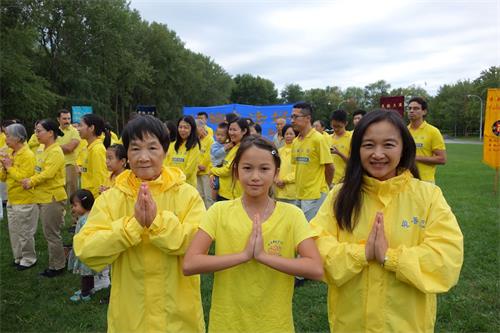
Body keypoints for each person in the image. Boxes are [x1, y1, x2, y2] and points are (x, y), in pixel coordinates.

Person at [311, 109, 463, 332]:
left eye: (389, 145)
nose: (378, 154)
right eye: (369, 145)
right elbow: (315, 248)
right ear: (357, 149)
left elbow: (446, 260)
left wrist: (389, 257)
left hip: (407, 325)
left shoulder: (428, 196)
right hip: (350, 324)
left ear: (404, 149)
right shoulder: (340, 195)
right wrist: (362, 254)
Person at [74, 115, 206, 332]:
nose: (144, 157)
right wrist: (132, 227)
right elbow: (87, 249)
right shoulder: (112, 198)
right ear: (126, 154)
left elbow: (196, 245)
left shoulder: (187, 195)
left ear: (165, 151)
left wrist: (157, 222)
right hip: (130, 315)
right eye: (135, 149)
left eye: (152, 148)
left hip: (179, 316)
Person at [183, 136, 323, 333]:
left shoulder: (292, 215)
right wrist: (243, 256)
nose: (255, 176)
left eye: (264, 169)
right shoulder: (219, 211)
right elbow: (190, 264)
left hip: (275, 324)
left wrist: (263, 257)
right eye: (247, 168)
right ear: (236, 172)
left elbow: (316, 268)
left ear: (276, 172)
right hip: (227, 323)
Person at [21, 119, 67, 277]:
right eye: (35, 130)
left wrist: (31, 181)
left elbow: (48, 174)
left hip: (52, 197)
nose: (36, 134)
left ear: (50, 133)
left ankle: (57, 266)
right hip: (43, 197)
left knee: (52, 234)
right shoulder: (42, 149)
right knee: (49, 232)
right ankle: (56, 263)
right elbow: (39, 169)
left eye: (39, 131)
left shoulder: (56, 151)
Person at [0, 124, 38, 270]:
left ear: (18, 138)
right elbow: (3, 178)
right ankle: (19, 257)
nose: (6, 138)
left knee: (25, 232)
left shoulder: (27, 155)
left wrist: (9, 167)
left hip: (25, 200)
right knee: (14, 231)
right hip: (12, 198)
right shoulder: (11, 152)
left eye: (8, 135)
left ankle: (29, 258)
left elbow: (24, 179)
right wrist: (4, 167)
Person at [291, 102, 334, 221]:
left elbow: (330, 167)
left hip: (314, 195)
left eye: (295, 117)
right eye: (291, 117)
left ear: (308, 118)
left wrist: (325, 186)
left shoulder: (318, 139)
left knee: (310, 231)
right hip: (299, 195)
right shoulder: (296, 141)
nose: (292, 120)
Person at [407, 97, 446, 183]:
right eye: (409, 108)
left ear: (424, 111)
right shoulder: (404, 131)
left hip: (425, 181)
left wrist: (414, 158)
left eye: (416, 108)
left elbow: (442, 159)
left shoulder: (433, 131)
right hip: (405, 180)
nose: (411, 111)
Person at [210, 118, 250, 200]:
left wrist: (212, 170)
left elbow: (227, 170)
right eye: (230, 129)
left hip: (233, 195)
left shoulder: (243, 148)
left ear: (244, 131)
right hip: (224, 192)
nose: (231, 133)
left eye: (234, 130)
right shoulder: (232, 146)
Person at [67, 189, 96, 302]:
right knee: (88, 273)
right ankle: (91, 289)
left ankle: (85, 294)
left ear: (85, 204)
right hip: (86, 249)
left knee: (85, 273)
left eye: (75, 205)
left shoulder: (86, 220)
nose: (73, 208)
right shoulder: (87, 216)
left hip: (85, 250)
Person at [78, 114, 110, 198]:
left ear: (91, 128)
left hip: (93, 198)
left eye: (81, 125)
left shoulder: (97, 150)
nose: (78, 129)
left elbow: (100, 179)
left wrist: (96, 200)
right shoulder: (89, 148)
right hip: (88, 196)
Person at [164, 115, 201, 188]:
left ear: (192, 129)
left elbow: (189, 170)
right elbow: (166, 164)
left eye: (186, 127)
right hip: (171, 184)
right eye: (180, 127)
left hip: (186, 186)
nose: (182, 130)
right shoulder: (172, 145)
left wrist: (176, 181)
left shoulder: (194, 146)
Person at [56, 109, 81, 200]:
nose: (67, 121)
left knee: (72, 192)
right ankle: (61, 213)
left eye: (69, 118)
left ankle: (74, 212)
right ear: (58, 119)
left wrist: (54, 147)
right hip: (57, 165)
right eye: (64, 119)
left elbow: (69, 148)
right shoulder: (54, 131)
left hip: (70, 165)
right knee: (59, 192)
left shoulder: (74, 131)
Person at [274, 124, 298, 205]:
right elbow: (275, 167)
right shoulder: (279, 151)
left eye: (291, 134)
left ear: (296, 135)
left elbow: (299, 171)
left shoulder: (298, 151)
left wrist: (284, 180)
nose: (288, 136)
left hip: (292, 192)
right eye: (286, 134)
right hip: (278, 191)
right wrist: (276, 179)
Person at [329, 109, 352, 184]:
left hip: (344, 181)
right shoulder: (328, 138)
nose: (335, 129)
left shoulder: (351, 138)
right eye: (333, 126)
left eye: (339, 126)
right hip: (329, 181)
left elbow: (353, 162)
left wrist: (338, 153)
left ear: (346, 123)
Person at [195, 119, 214, 208]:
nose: (196, 133)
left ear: (203, 128)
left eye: (197, 130)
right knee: (200, 196)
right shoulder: (196, 140)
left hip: (206, 173)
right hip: (197, 172)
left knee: (208, 196)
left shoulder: (210, 140)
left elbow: (209, 156)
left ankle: (210, 215)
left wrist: (202, 166)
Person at [210, 122, 230, 201]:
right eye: (217, 135)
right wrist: (225, 148)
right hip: (217, 166)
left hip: (223, 166)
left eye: (222, 135)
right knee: (216, 184)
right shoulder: (215, 145)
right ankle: (214, 200)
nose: (219, 137)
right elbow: (216, 154)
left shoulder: (227, 144)